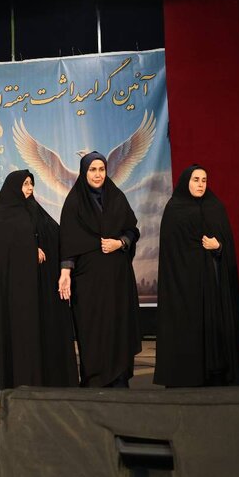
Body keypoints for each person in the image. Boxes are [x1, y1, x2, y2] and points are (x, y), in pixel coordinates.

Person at [0, 170, 78, 402]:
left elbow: (55, 235)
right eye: (25, 184)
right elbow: (0, 248)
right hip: (12, 294)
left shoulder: (35, 211)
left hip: (37, 290)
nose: (30, 188)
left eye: (31, 183)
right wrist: (28, 248)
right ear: (13, 187)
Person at [154, 165, 239, 387]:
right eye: (196, 180)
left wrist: (218, 246)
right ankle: (187, 373)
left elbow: (226, 244)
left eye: (204, 180)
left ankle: (218, 371)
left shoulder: (215, 207)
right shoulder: (174, 209)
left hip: (213, 284)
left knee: (216, 324)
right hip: (184, 286)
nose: (200, 184)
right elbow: (171, 252)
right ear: (186, 182)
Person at [58, 152, 141, 387]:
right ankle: (95, 378)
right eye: (92, 170)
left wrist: (120, 243)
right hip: (88, 280)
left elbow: (132, 229)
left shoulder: (116, 197)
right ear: (84, 172)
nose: (98, 174)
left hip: (117, 278)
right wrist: (65, 272)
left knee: (118, 323)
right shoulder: (74, 201)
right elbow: (68, 240)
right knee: (92, 327)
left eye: (101, 169)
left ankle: (119, 378)